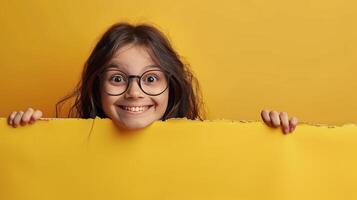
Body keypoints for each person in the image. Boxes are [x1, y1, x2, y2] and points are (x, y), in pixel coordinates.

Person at [7, 22, 298, 133]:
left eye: (150, 79)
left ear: (171, 86)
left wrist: (273, 136)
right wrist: (25, 134)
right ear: (97, 88)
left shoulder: (205, 147)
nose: (134, 92)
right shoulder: (67, 150)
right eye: (118, 79)